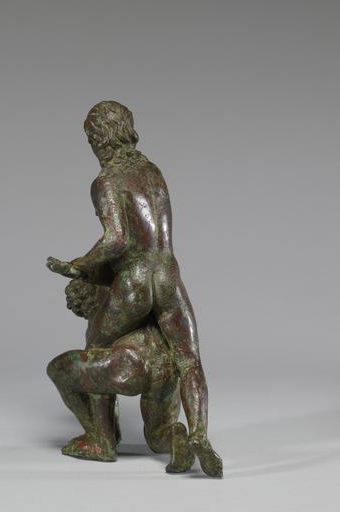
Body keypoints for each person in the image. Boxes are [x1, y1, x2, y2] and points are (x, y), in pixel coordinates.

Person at [47, 100, 222, 477]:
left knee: (96, 346)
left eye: (91, 139)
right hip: (168, 275)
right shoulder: (152, 171)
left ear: (99, 138)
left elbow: (118, 238)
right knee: (189, 358)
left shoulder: (105, 181)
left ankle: (101, 440)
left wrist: (79, 265)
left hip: (135, 280)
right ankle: (198, 435)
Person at [47, 276, 194, 473]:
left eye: (80, 307)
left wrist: (106, 435)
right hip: (166, 366)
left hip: (131, 363)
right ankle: (176, 437)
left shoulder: (105, 304)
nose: (82, 312)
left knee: (61, 370)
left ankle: (100, 441)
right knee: (157, 436)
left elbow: (94, 378)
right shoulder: (142, 287)